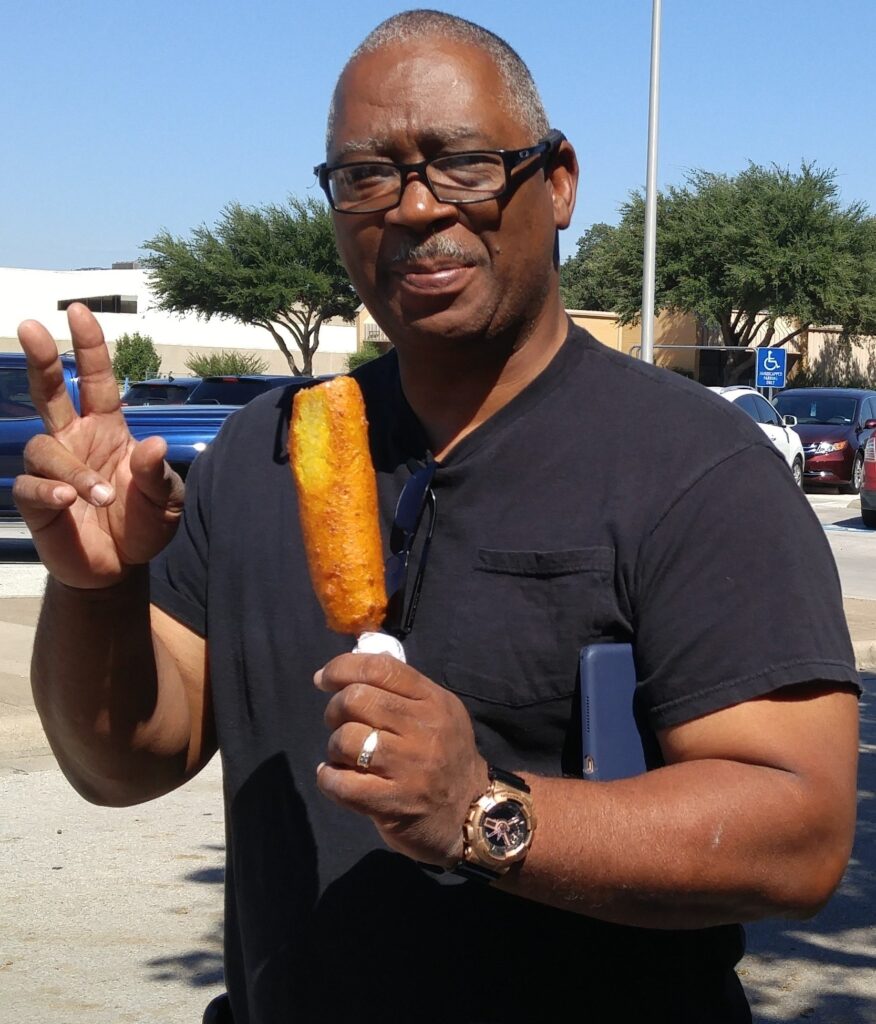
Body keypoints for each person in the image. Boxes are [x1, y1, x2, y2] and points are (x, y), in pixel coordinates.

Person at [16, 11, 860, 1024]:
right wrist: (96, 588)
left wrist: (480, 811)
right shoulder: (261, 453)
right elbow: (122, 762)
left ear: (557, 183)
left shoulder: (694, 467)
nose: (415, 207)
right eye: (366, 175)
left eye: (463, 164)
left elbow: (799, 834)